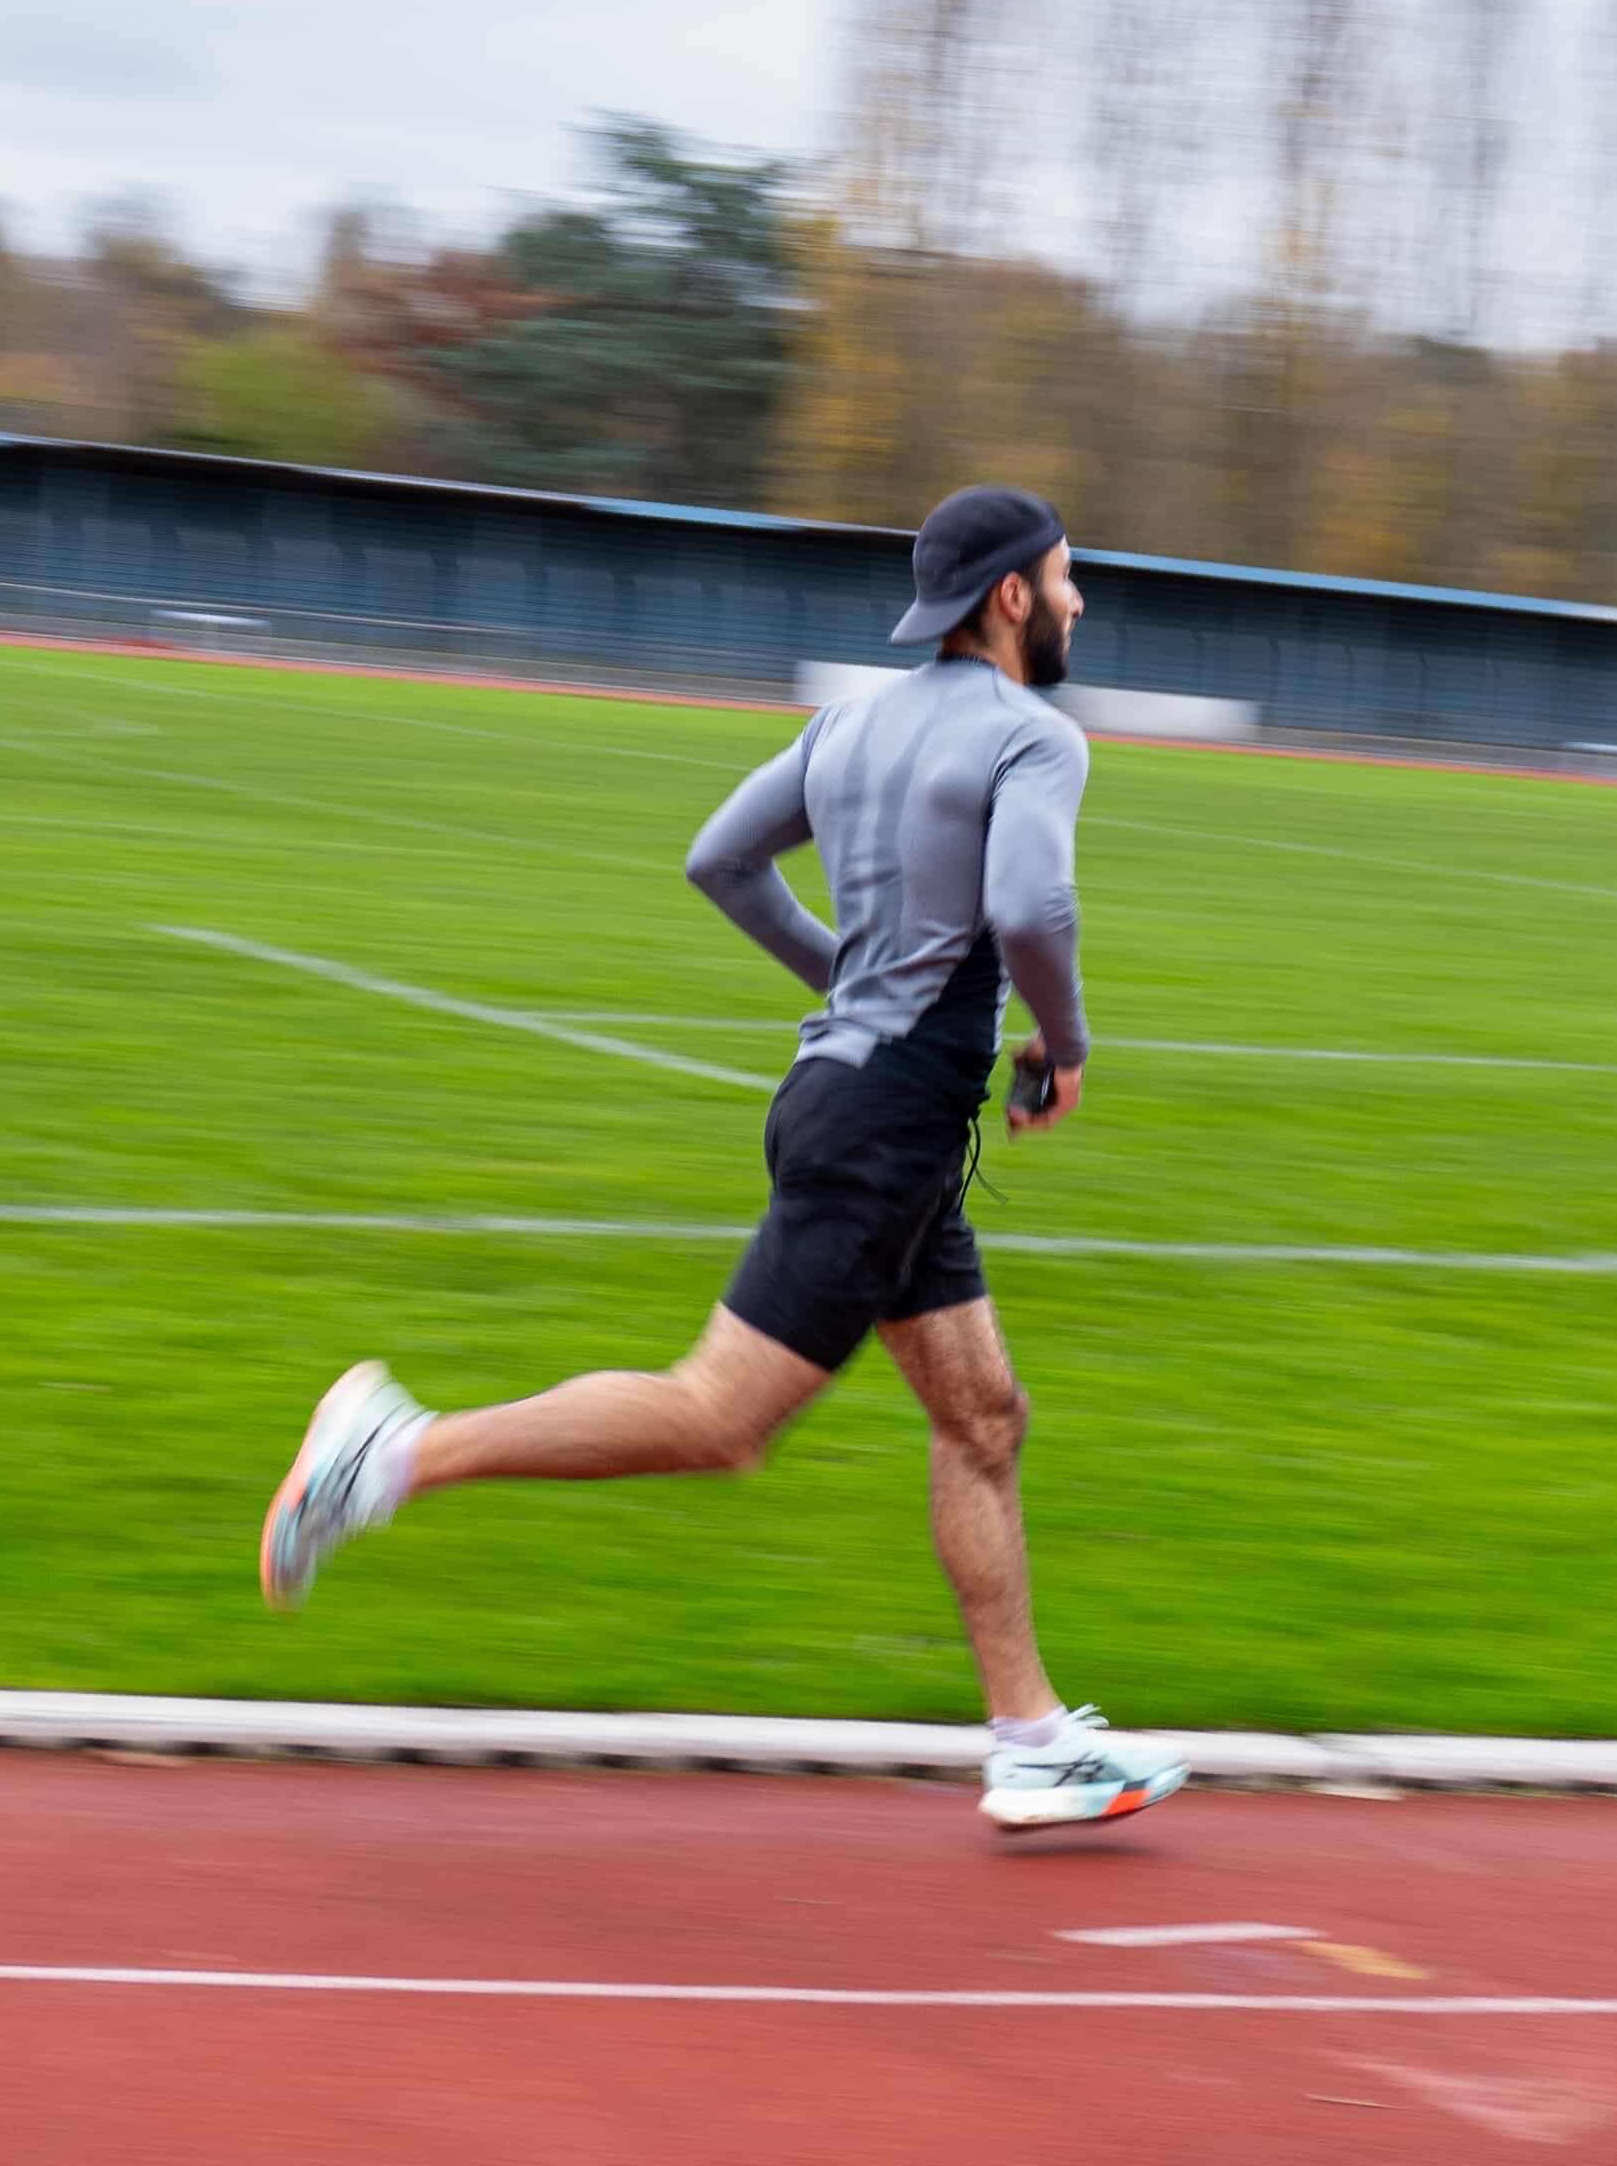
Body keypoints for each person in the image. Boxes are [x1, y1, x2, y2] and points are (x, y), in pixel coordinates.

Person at [259, 481, 1186, 1834]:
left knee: (983, 1415)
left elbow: (720, 860)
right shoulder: (1032, 740)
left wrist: (850, 975)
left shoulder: (849, 723)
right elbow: (1031, 902)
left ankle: (1029, 1735)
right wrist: (1065, 1041)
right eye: (1066, 576)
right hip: (885, 1127)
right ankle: (391, 1453)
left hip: (866, 1108)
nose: (1079, 600)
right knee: (720, 1418)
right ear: (1008, 598)